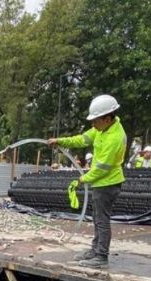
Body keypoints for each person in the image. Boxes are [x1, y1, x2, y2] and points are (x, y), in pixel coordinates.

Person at [49, 94, 126, 268]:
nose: (93, 124)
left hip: (108, 184)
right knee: (98, 218)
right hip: (101, 183)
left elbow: (102, 168)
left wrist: (83, 178)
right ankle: (95, 250)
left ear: (107, 118)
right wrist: (60, 141)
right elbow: (82, 139)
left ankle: (101, 256)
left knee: (102, 220)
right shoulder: (102, 129)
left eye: (95, 120)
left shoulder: (114, 138)